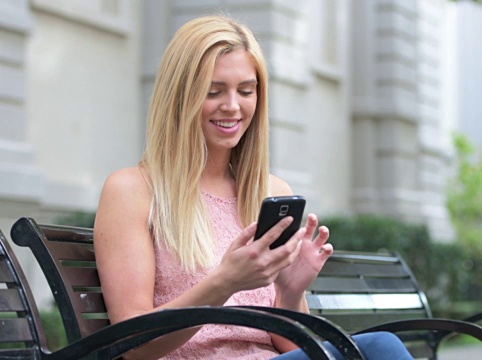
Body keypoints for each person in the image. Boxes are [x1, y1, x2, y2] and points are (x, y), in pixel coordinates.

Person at [93, 15, 414, 360]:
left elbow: (293, 347)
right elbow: (132, 345)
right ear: (180, 96)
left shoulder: (268, 190)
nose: (232, 106)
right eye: (213, 91)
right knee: (378, 349)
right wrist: (224, 282)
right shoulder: (132, 191)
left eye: (246, 91)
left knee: (378, 346)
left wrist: (289, 293)